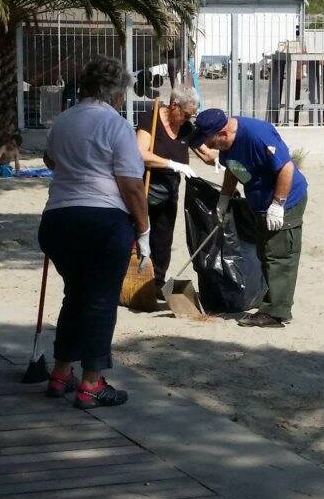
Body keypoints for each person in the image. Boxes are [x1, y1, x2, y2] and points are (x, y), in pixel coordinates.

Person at [39, 55, 150, 409]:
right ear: (116, 92)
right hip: (102, 222)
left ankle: (60, 372)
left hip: (58, 220)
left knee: (76, 295)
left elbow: (49, 160)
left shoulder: (63, 120)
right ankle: (91, 382)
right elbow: (131, 185)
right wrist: (144, 231)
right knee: (101, 301)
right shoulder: (115, 125)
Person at [191, 109, 308, 328]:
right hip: (261, 203)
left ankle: (276, 313)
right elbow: (233, 169)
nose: (212, 148)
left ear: (223, 134)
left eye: (212, 143)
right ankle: (273, 304)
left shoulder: (257, 135)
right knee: (264, 251)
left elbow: (286, 168)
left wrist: (278, 204)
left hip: (287, 200)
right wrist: (224, 199)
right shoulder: (228, 144)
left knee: (279, 255)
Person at [136, 87, 215, 292]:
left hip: (170, 190)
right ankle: (135, 279)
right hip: (145, 185)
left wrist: (224, 160)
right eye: (187, 114)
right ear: (174, 106)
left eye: (192, 115)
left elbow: (206, 155)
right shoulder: (150, 119)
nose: (188, 119)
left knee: (163, 238)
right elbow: (141, 154)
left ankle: (157, 283)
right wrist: (173, 164)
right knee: (140, 233)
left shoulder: (187, 128)